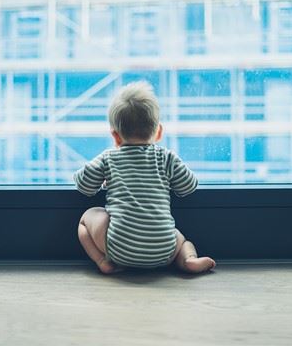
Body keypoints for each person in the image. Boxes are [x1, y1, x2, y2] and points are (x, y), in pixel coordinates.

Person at [74, 81, 216, 274]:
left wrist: (104, 179)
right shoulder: (166, 157)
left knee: (86, 219)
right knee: (182, 240)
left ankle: (103, 262)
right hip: (163, 250)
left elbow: (85, 186)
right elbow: (189, 186)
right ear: (158, 132)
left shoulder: (109, 157)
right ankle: (188, 260)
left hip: (119, 249)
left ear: (115, 137)